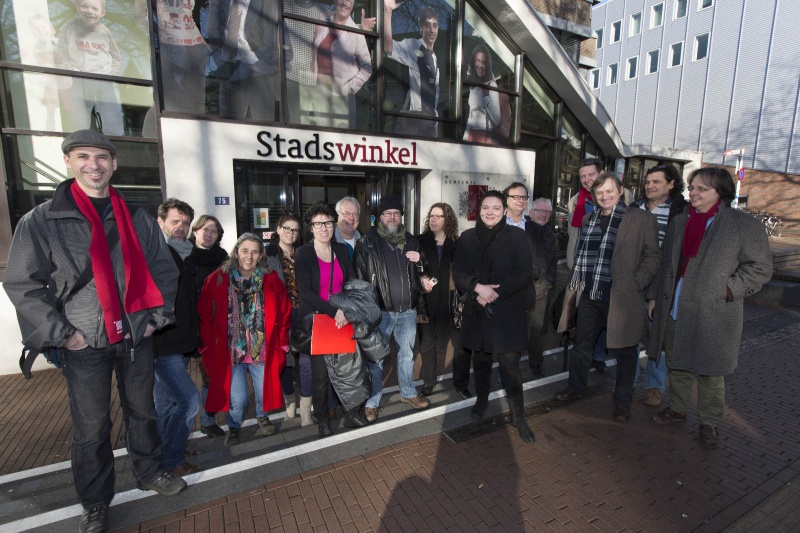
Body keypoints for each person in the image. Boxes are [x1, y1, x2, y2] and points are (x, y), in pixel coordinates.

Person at [4, 129, 186, 533]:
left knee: (143, 412)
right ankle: (95, 502)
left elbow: (164, 270)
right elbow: (22, 284)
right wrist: (63, 333)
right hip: (84, 340)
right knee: (91, 428)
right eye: (83, 156)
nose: (94, 164)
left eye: (102, 157)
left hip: (136, 335)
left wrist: (155, 319)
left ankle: (149, 472)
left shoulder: (136, 216)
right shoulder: (42, 219)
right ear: (68, 161)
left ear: (114, 164)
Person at [648, 167, 772, 449]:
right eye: (692, 187)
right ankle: (677, 409)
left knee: (710, 370)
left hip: (713, 311)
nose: (693, 192)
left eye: (701, 188)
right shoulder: (681, 220)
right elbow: (667, 264)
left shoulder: (742, 224)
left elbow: (761, 268)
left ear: (720, 192)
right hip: (676, 304)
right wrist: (656, 297)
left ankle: (709, 422)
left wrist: (729, 290)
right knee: (677, 362)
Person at [555, 172, 661, 423]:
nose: (604, 196)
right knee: (582, 345)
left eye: (609, 191)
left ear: (621, 191)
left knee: (625, 351)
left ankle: (623, 401)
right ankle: (576, 386)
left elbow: (653, 257)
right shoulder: (590, 219)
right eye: (600, 192)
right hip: (590, 292)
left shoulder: (641, 219)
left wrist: (636, 283)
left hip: (621, 296)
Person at [451, 191, 536, 443]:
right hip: (476, 309)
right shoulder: (467, 237)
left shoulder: (517, 236)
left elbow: (524, 273)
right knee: (481, 361)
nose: (490, 212)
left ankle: (518, 416)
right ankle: (482, 399)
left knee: (510, 365)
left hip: (507, 309)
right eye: (486, 207)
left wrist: (493, 293)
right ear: (480, 210)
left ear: (503, 210)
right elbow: (459, 271)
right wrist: (478, 287)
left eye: (496, 208)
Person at [198, 233, 291, 446]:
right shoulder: (217, 279)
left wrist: (283, 340)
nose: (249, 256)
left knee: (264, 390)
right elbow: (204, 314)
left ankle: (262, 416)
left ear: (261, 255)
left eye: (255, 251)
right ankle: (234, 426)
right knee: (238, 399)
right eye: (245, 251)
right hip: (231, 350)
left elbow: (284, 311)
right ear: (236, 252)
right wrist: (205, 344)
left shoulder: (271, 280)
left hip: (262, 347)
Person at [354, 195, 434, 422]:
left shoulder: (411, 241)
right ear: (379, 217)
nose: (392, 216)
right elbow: (359, 280)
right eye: (388, 213)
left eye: (396, 213)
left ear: (401, 217)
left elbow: (423, 272)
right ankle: (372, 402)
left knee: (407, 355)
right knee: (376, 359)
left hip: (407, 311)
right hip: (381, 313)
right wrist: (366, 311)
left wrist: (421, 260)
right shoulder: (366, 243)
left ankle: (408, 393)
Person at [296, 202, 369, 437]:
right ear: (311, 228)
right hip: (320, 321)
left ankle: (350, 414)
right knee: (321, 377)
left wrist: (347, 310)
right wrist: (332, 311)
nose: (324, 228)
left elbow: (348, 283)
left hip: (341, 318)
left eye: (327, 223)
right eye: (318, 224)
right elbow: (305, 291)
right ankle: (323, 420)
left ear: (333, 224)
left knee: (348, 371)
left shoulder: (340, 250)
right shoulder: (304, 253)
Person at [630, 165, 689, 407]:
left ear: (671, 184)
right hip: (634, 284)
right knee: (629, 336)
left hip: (662, 285)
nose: (650, 186)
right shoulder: (635, 208)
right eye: (647, 181)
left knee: (658, 339)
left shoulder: (681, 211)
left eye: (656, 181)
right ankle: (628, 381)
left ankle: (654, 386)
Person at [153, 199, 202, 477]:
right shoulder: (158, 253)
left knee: (166, 404)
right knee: (188, 401)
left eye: (185, 223)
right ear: (160, 223)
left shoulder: (181, 254)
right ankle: (171, 459)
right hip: (163, 345)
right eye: (175, 222)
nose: (181, 227)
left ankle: (167, 450)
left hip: (178, 343)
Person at [207, 0, 291, 120]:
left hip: (258, 73)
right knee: (228, 127)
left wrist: (259, 65)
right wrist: (220, 60)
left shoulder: (269, 3)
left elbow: (286, 50)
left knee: (262, 129)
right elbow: (212, 32)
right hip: (228, 70)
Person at [266, 213, 312, 425]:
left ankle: (305, 409)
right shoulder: (267, 255)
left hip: (303, 313)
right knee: (285, 361)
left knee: (305, 360)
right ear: (278, 229)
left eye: (294, 230)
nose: (290, 233)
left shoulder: (304, 253)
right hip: (280, 316)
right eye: (286, 228)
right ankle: (289, 403)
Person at [567, 158, 610, 373]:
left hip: (609, 271)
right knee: (583, 317)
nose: (586, 180)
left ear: (601, 173)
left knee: (605, 317)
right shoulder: (576, 201)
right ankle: (581, 366)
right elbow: (574, 234)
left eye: (590, 175)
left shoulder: (621, 197)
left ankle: (599, 355)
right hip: (583, 268)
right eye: (582, 176)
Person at [187, 214, 228, 438]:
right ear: (195, 231)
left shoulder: (224, 259)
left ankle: (207, 420)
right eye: (203, 229)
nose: (207, 234)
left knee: (210, 376)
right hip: (185, 325)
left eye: (212, 230)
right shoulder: (185, 256)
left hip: (213, 328)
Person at [59, 0, 124, 135]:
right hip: (80, 77)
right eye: (85, 6)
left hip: (103, 77)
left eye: (95, 9)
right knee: (80, 115)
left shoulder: (105, 32)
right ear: (77, 7)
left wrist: (111, 74)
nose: (90, 11)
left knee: (110, 113)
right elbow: (62, 51)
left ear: (102, 13)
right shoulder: (69, 28)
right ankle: (81, 138)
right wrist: (72, 69)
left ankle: (114, 140)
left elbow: (116, 56)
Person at [417, 203, 458, 397]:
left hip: (448, 300)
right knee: (427, 343)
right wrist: (421, 277)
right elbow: (411, 268)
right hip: (425, 301)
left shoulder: (455, 243)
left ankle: (454, 377)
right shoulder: (420, 241)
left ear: (447, 219)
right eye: (431, 216)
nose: (433, 219)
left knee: (445, 341)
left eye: (438, 216)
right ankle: (428, 381)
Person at [312, 0, 373, 128]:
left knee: (342, 140)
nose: (344, 2)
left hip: (342, 96)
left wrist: (349, 88)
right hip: (320, 91)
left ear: (353, 5)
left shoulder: (356, 33)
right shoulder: (323, 18)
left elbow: (367, 68)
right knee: (321, 137)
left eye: (349, 0)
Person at [383, 1, 439, 137]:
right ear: (421, 28)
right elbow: (388, 47)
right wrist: (388, 12)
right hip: (417, 123)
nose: (432, 30)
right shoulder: (415, 46)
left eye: (435, 25)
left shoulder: (434, 56)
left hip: (431, 123)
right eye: (427, 25)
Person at [156, 0, 209, 114]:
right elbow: (139, 17)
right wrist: (162, 34)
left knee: (196, 97)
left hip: (195, 46)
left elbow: (188, 18)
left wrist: (203, 43)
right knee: (174, 96)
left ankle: (196, 127)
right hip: (172, 45)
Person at [527, 197, 559, 375]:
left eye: (548, 212)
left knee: (537, 328)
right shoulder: (521, 230)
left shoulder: (551, 236)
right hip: (518, 287)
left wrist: (550, 281)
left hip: (540, 288)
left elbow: (553, 261)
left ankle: (536, 363)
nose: (544, 215)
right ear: (531, 212)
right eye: (541, 211)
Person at [462, 44, 501, 144]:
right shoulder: (473, 84)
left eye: (484, 62)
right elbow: (471, 115)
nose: (480, 65)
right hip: (471, 134)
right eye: (477, 60)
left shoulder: (491, 85)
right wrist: (465, 138)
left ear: (487, 65)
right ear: (473, 61)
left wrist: (486, 96)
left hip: (484, 134)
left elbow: (497, 120)